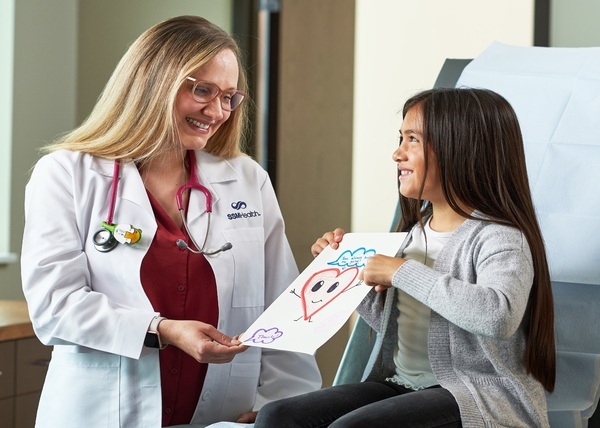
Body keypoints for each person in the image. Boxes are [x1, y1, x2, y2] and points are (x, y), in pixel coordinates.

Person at [20, 15, 321, 428]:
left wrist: (284, 406)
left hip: (226, 416)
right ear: (154, 83)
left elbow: (284, 309)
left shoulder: (246, 179)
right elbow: (54, 306)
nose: (217, 111)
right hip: (101, 413)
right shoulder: (67, 174)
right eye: (203, 90)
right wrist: (163, 330)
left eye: (230, 97)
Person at [254, 87, 556, 428]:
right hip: (402, 385)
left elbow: (498, 317)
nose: (397, 153)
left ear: (461, 148)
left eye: (412, 139)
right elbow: (397, 324)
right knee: (277, 416)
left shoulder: (498, 237)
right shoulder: (414, 233)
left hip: (478, 396)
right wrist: (346, 272)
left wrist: (400, 271)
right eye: (401, 138)